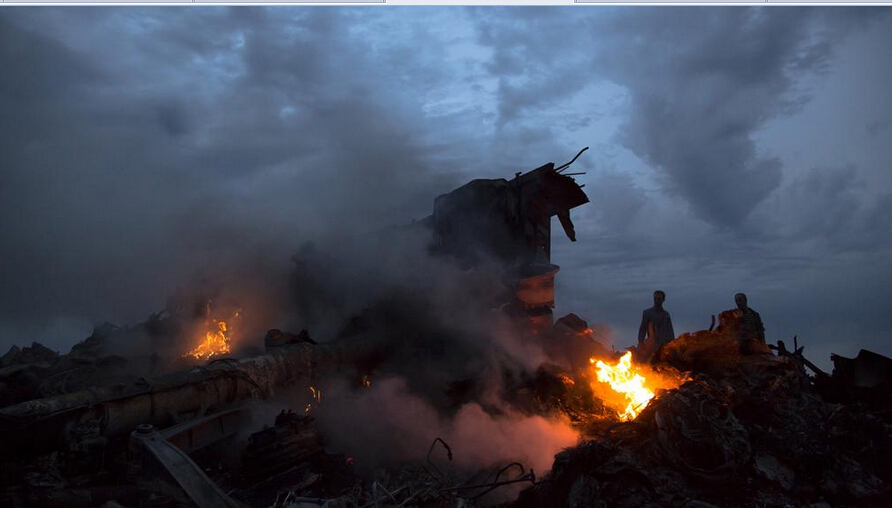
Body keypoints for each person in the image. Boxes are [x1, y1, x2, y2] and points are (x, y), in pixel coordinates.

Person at [637, 290, 675, 359]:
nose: (656, 301)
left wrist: (672, 344)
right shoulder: (647, 313)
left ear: (663, 300)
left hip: (664, 346)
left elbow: (670, 331)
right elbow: (643, 328)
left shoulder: (666, 315)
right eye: (655, 299)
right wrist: (640, 342)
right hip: (652, 345)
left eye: (659, 299)